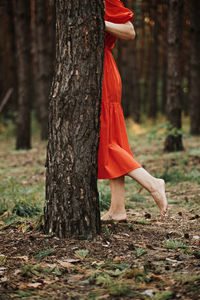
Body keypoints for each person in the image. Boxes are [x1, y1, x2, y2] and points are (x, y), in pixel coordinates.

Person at [97, 0, 168, 221]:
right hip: (98, 72)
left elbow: (129, 31)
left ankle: (153, 183)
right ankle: (118, 209)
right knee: (114, 141)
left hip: (103, 74)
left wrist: (100, 22)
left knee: (107, 143)